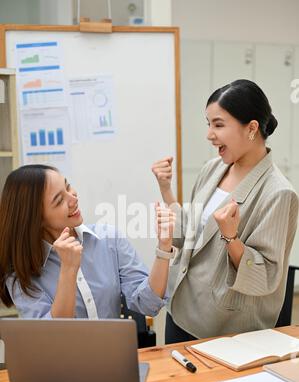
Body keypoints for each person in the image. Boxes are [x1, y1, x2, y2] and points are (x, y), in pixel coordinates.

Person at [152, 79, 299, 344]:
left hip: (224, 329)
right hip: (182, 310)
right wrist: (166, 190)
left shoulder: (279, 193)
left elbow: (266, 276)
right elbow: (191, 235)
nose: (209, 134)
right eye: (208, 124)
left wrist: (231, 238)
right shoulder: (213, 169)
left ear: (252, 128)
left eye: (218, 125)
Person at [0, 165, 175, 319]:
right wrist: (68, 269)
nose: (73, 199)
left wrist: (164, 246)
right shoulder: (20, 275)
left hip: (113, 354)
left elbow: (148, 304)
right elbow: (52, 337)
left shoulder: (108, 239)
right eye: (59, 200)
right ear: (36, 219)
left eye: (68, 186)